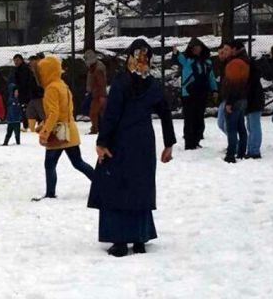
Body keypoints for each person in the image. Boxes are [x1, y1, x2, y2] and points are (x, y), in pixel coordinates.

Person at [88, 39, 176, 258]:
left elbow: (112, 116)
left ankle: (119, 240)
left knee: (116, 186)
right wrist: (168, 143)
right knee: (140, 186)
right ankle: (139, 238)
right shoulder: (153, 84)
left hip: (121, 139)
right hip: (144, 140)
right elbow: (165, 112)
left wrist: (102, 142)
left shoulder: (121, 83)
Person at [32, 56, 94, 201]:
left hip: (58, 133)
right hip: (70, 131)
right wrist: (44, 125)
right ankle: (101, 183)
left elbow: (54, 114)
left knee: (50, 164)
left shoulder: (51, 88)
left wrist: (45, 132)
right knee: (78, 162)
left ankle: (50, 193)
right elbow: (66, 110)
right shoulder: (62, 85)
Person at [172, 38, 218, 149]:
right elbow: (177, 58)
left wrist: (214, 90)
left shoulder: (207, 62)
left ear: (202, 48)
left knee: (199, 117)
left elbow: (211, 77)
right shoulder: (186, 60)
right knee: (189, 118)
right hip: (188, 94)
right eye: (194, 48)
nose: (196, 49)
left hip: (202, 93)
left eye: (198, 47)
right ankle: (189, 143)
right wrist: (175, 52)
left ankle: (197, 140)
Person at [217, 41, 250, 163]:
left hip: (234, 99)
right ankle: (241, 152)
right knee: (241, 126)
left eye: (227, 49)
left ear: (234, 49)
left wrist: (229, 102)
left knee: (231, 128)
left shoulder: (234, 63)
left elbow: (233, 84)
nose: (224, 51)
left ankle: (231, 154)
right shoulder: (244, 61)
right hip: (242, 98)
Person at [241, 47, 266, 160]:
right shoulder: (252, 67)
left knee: (253, 125)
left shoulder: (249, 69)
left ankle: (254, 150)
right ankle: (252, 149)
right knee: (251, 125)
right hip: (254, 100)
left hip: (253, 100)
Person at [84, 50, 109, 135]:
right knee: (100, 113)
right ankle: (103, 128)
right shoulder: (95, 67)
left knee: (93, 113)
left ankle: (95, 129)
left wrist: (101, 95)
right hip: (98, 94)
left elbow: (101, 83)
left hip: (98, 95)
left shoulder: (98, 69)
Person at [12, 54, 36, 131]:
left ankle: (27, 125)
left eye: (17, 60)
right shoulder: (17, 69)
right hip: (23, 91)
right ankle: (26, 125)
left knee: (26, 108)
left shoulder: (24, 69)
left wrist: (18, 89)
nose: (16, 62)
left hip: (26, 92)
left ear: (21, 60)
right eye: (15, 61)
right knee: (24, 108)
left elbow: (24, 81)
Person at [26, 55, 46, 132]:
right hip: (33, 95)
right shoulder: (31, 71)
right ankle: (32, 129)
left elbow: (40, 83)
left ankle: (47, 126)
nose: (30, 63)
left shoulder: (40, 70)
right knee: (30, 112)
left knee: (42, 113)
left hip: (39, 95)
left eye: (32, 61)